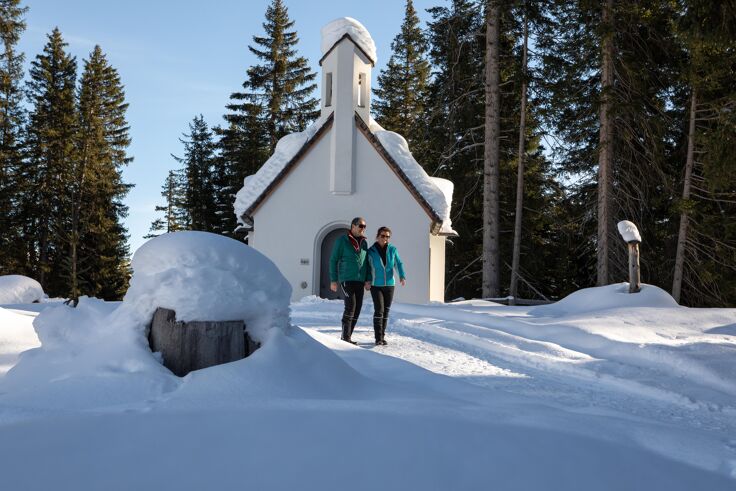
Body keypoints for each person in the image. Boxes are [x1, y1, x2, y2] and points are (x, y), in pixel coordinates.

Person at [329, 217, 369, 344]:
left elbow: (366, 262)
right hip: (347, 279)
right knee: (350, 306)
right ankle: (345, 337)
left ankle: (348, 336)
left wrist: (368, 279)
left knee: (357, 308)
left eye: (364, 226)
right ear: (353, 226)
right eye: (361, 226)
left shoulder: (364, 243)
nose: (363, 228)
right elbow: (333, 260)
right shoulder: (342, 241)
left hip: (360, 281)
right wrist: (333, 279)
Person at [365, 226, 405, 346]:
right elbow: (367, 267)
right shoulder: (371, 251)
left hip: (389, 285)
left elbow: (398, 263)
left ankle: (382, 336)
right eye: (383, 236)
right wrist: (367, 280)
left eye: (387, 236)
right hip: (376, 285)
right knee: (379, 310)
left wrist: (402, 276)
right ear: (377, 236)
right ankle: (378, 338)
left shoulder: (392, 249)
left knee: (386, 311)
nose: (385, 238)